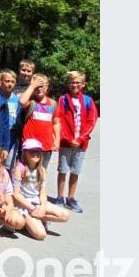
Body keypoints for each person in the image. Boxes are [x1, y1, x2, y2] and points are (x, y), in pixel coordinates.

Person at [54, 71, 98, 213]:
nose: (75, 85)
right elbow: (58, 119)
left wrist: (80, 138)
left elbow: (92, 120)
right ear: (68, 84)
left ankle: (71, 198)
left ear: (83, 84)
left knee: (75, 171)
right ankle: (60, 197)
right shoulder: (63, 99)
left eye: (78, 82)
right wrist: (67, 138)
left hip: (81, 143)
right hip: (66, 142)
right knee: (62, 170)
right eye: (72, 82)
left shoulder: (88, 100)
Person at [12, 139, 70, 240]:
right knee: (41, 235)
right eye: (32, 151)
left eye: (38, 151)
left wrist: (42, 207)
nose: (35, 154)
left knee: (65, 216)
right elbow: (16, 194)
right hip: (24, 205)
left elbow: (42, 192)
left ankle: (37, 217)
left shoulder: (41, 170)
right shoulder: (19, 168)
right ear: (25, 153)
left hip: (37, 202)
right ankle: (27, 221)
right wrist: (32, 208)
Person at [18, 74, 61, 169]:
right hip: (29, 145)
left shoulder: (53, 103)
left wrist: (57, 140)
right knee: (26, 173)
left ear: (47, 87)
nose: (40, 88)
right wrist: (32, 86)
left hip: (46, 146)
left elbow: (56, 123)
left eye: (43, 86)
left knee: (41, 174)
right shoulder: (31, 101)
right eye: (37, 86)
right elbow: (22, 102)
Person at [0, 69, 22, 170]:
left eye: (12, 82)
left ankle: (7, 184)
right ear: (0, 82)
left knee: (9, 165)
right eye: (7, 81)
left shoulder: (17, 100)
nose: (10, 84)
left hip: (12, 134)